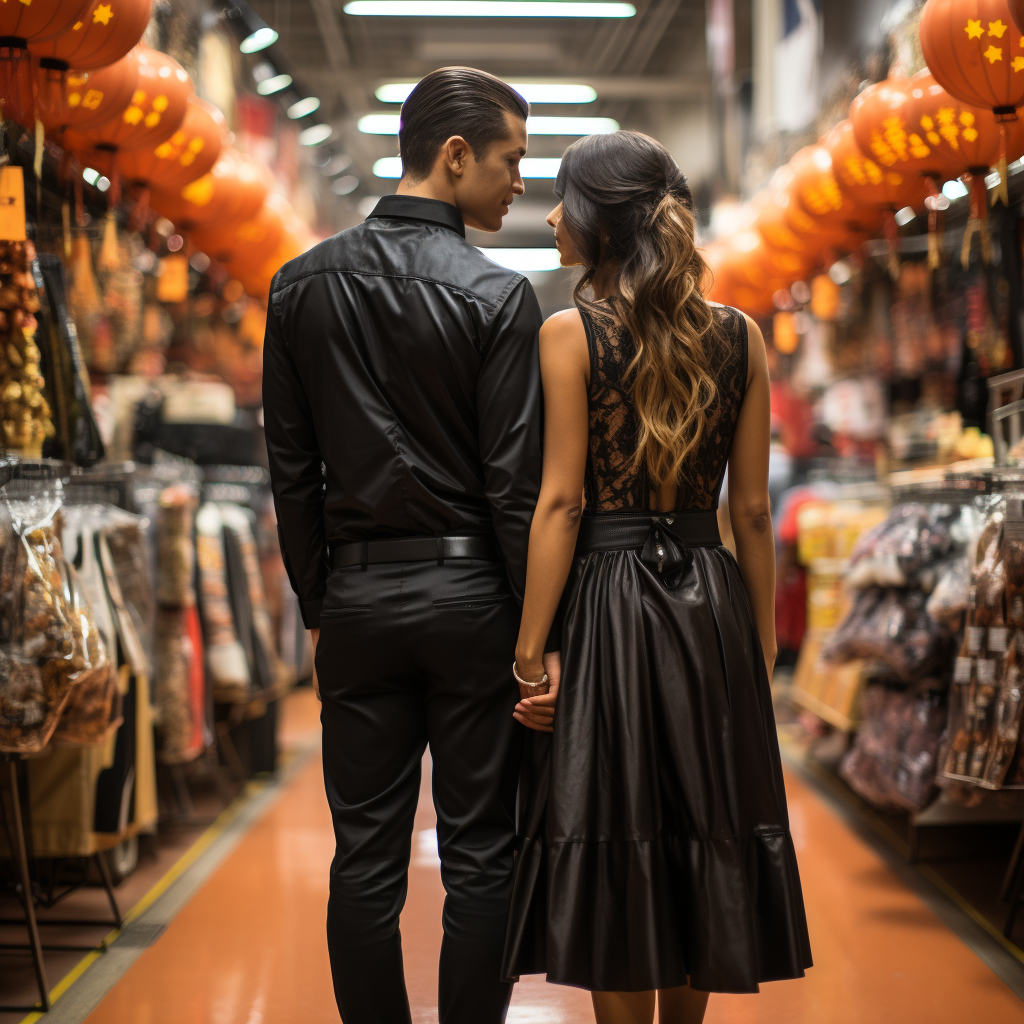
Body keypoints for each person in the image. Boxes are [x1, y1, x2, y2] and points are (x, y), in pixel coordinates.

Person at [501, 131, 813, 1024]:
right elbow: (750, 513)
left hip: (606, 603)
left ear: (604, 219)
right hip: (709, 601)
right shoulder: (739, 336)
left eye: (566, 200)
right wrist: (758, 644)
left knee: (619, 831)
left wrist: (531, 654)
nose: (554, 216)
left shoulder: (568, 334)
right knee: (701, 828)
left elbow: (560, 505)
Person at [263, 67, 553, 1024]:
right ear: (456, 155)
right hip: (475, 604)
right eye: (511, 160)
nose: (522, 180)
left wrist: (324, 601)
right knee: (481, 851)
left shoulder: (297, 288)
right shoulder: (500, 298)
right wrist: (535, 637)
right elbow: (515, 487)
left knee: (367, 857)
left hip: (356, 599)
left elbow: (290, 468)